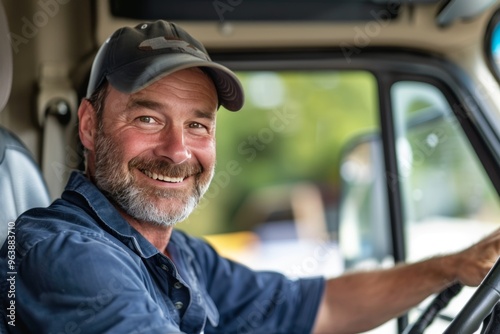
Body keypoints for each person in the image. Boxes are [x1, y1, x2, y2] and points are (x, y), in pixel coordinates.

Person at [1, 19, 500, 334]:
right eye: (148, 119)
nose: (178, 151)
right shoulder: (61, 252)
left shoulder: (179, 256)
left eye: (198, 125)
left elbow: (318, 309)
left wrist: (452, 267)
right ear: (89, 125)